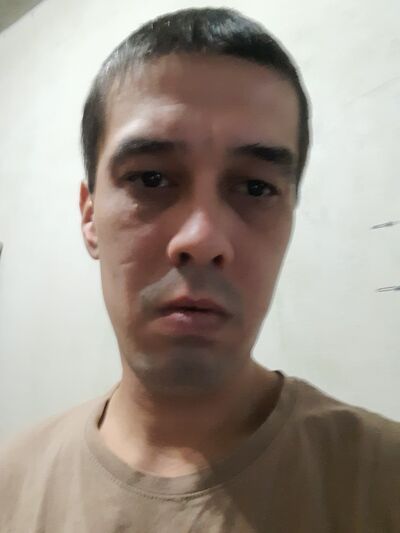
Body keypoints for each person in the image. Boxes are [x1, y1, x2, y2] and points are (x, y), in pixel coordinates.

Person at [1, 7, 399, 532]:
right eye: (150, 178)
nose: (202, 239)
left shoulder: (383, 483)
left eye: (255, 187)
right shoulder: (11, 485)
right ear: (90, 216)